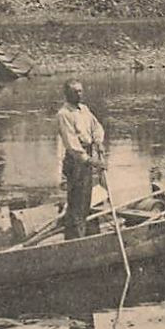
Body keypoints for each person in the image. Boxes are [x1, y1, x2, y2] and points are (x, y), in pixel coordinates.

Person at [56, 79, 105, 241]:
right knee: (76, 201)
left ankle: (82, 234)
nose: (79, 94)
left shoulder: (84, 109)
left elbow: (96, 127)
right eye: (75, 91)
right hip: (75, 160)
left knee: (86, 199)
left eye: (80, 91)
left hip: (87, 155)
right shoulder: (64, 114)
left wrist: (98, 141)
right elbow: (71, 143)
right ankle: (75, 238)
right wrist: (90, 160)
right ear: (67, 94)